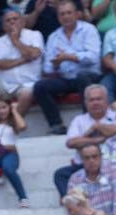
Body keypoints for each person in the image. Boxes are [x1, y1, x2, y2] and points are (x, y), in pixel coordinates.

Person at [33, 0, 102, 135]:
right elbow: (47, 68)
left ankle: (88, 122)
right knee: (40, 86)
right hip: (66, 78)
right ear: (58, 17)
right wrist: (55, 64)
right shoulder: (54, 37)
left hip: (89, 75)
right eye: (62, 14)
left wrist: (69, 57)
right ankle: (56, 125)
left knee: (83, 78)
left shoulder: (89, 30)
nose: (66, 17)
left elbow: (93, 57)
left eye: (69, 13)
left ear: (77, 14)